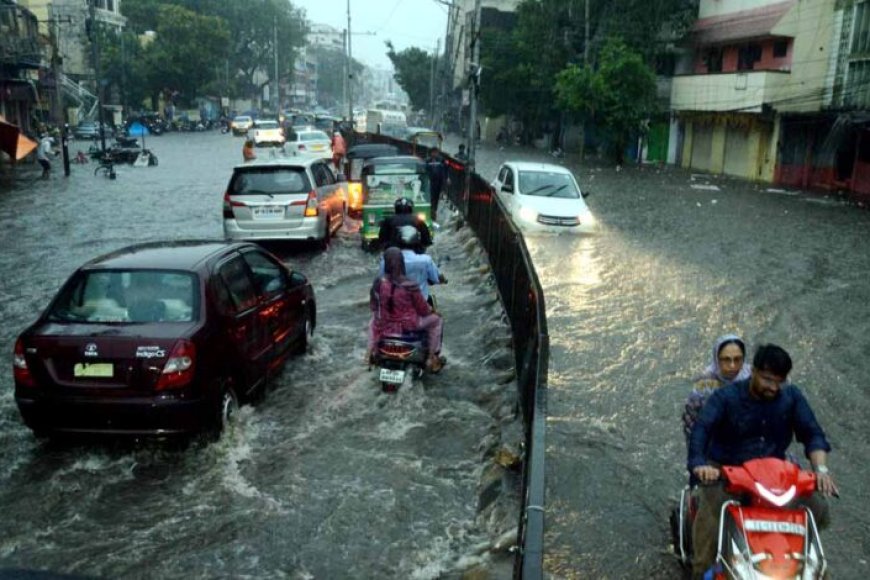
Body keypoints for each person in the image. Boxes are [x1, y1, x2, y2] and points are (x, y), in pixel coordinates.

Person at [688, 344, 836, 578]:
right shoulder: (725, 397)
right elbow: (701, 431)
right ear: (754, 371)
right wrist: (700, 464)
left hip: (774, 475)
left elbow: (813, 434)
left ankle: (809, 567)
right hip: (728, 473)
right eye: (767, 380)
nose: (773, 387)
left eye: (779, 381)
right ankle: (701, 570)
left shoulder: (792, 397)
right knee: (713, 515)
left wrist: (821, 470)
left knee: (818, 508)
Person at [367, 247, 444, 372]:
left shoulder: (378, 284)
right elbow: (423, 309)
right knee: (437, 320)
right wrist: (432, 311)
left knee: (372, 321)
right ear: (401, 264)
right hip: (410, 325)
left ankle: (371, 353)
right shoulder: (410, 285)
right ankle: (431, 358)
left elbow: (373, 306)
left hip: (385, 325)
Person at [682, 334, 751, 443]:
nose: (732, 366)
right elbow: (691, 422)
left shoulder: (753, 379)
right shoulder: (704, 384)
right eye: (726, 359)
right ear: (716, 359)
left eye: (737, 359)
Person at [378, 225, 445, 304]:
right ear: (417, 242)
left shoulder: (386, 261)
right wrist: (442, 279)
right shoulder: (426, 260)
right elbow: (436, 279)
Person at [425, 147, 447, 222]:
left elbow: (444, 171)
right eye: (433, 152)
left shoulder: (441, 161)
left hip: (438, 182)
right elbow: (425, 171)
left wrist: (445, 180)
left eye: (436, 152)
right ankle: (431, 212)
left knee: (436, 198)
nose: (435, 154)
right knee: (430, 198)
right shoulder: (427, 161)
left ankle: (434, 211)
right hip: (430, 182)